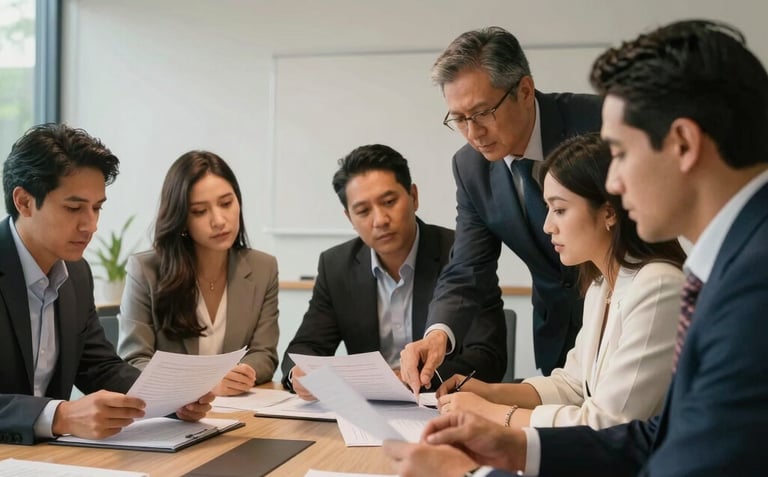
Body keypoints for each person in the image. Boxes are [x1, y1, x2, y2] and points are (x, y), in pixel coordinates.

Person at [383, 19, 768, 476]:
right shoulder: (726, 264)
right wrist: (507, 443)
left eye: (620, 155)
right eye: (459, 119)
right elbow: (657, 435)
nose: (615, 184)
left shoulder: (743, 284)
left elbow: (680, 454)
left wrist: (493, 435)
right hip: (571, 336)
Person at [436, 132, 685, 430]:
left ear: (608, 212)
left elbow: (606, 423)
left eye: (560, 210)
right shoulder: (600, 286)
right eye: (548, 209)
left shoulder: (658, 286)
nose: (547, 226)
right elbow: (573, 386)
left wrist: (492, 412)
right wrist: (489, 391)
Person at [400, 26, 603, 393]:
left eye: (482, 112)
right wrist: (437, 335)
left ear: (524, 91)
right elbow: (468, 267)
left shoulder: (600, 125)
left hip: (627, 316)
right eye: (458, 119)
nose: (473, 133)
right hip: (557, 330)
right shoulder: (470, 166)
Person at [0, 123, 212, 445]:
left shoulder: (77, 274)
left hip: (44, 459)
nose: (91, 225)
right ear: (24, 202)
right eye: (74, 208)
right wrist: (60, 416)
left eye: (97, 207)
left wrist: (171, 399)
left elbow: (99, 367)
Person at [282, 144, 506, 399]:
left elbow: (489, 357)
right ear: (349, 218)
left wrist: (416, 378)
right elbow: (305, 346)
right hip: (367, 414)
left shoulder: (462, 255)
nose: (380, 220)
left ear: (413, 197)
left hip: (444, 405)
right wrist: (298, 374)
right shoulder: (336, 266)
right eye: (363, 211)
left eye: (389, 202)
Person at [118, 151, 279, 395]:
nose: (219, 220)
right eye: (199, 211)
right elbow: (134, 361)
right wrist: (204, 385)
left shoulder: (263, 268)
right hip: (170, 414)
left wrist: (240, 373)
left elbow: (264, 353)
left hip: (238, 411)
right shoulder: (146, 270)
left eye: (226, 203)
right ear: (181, 218)